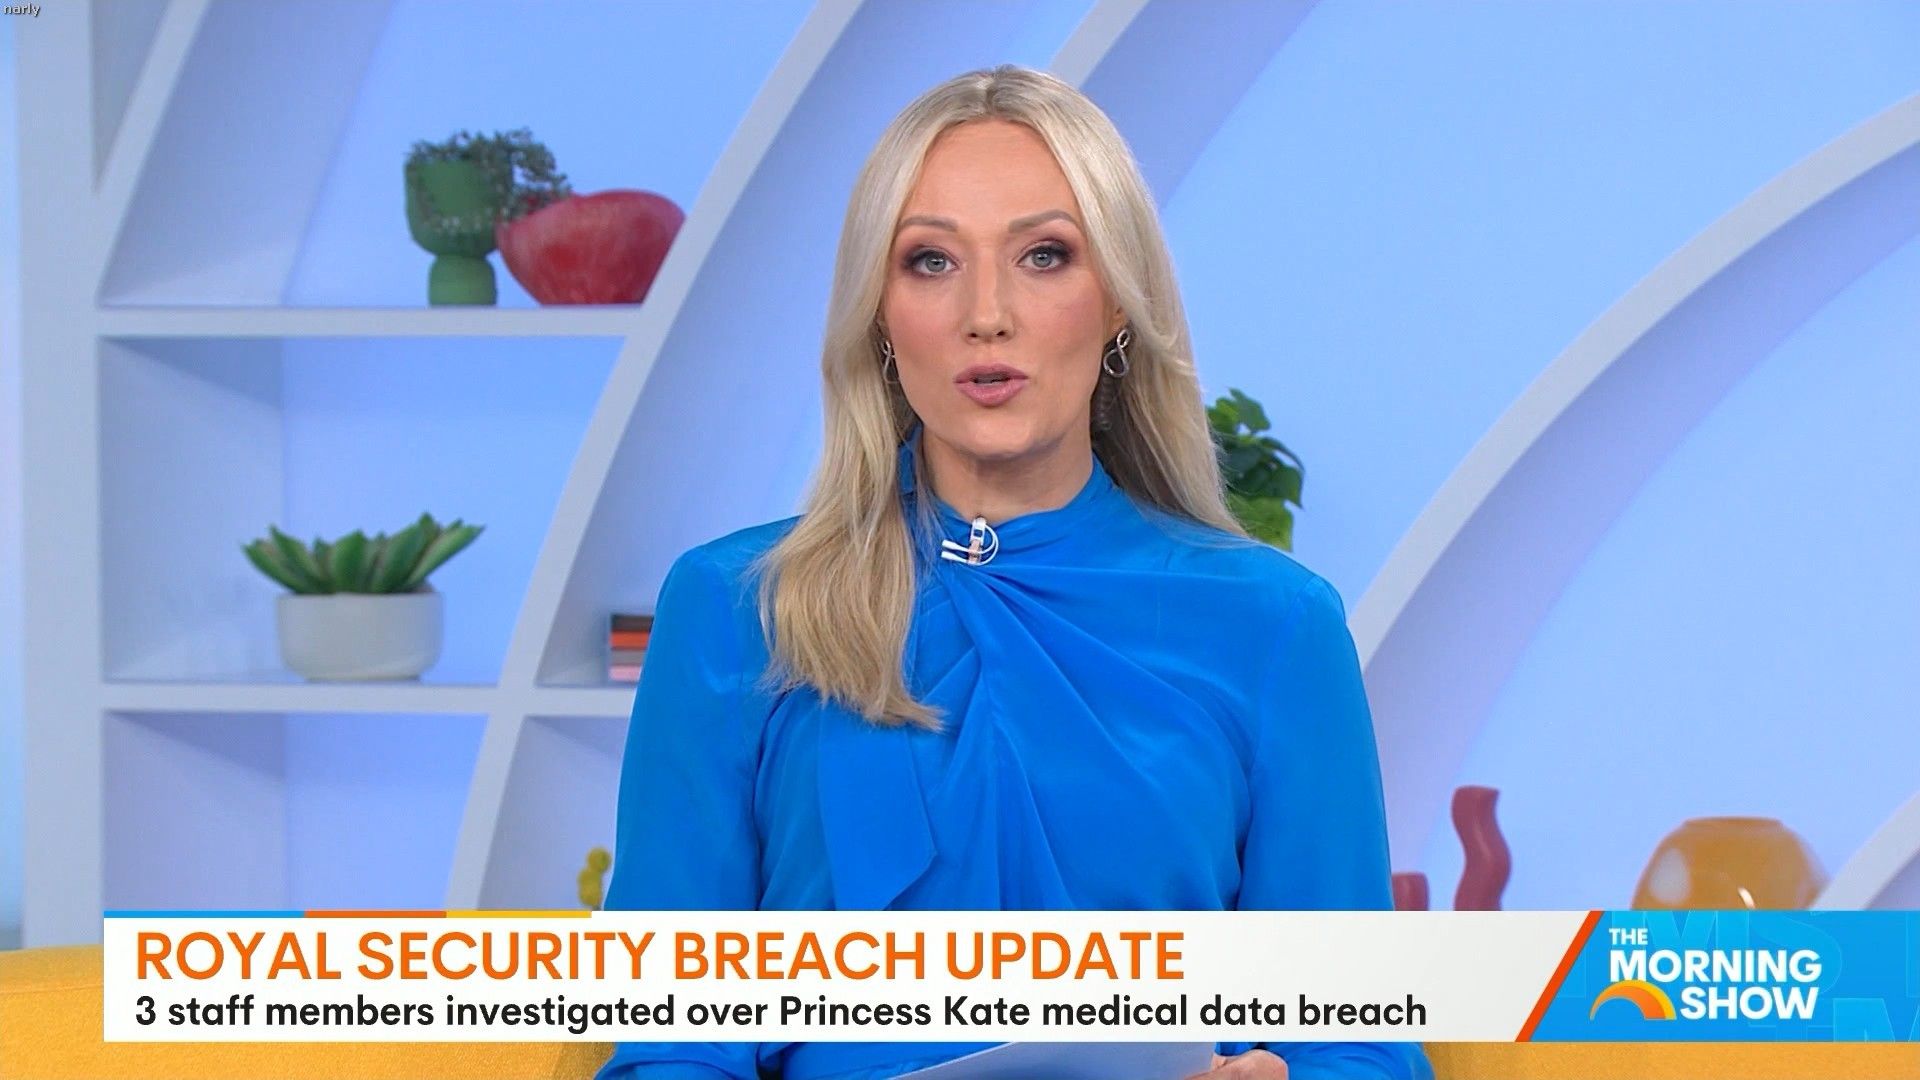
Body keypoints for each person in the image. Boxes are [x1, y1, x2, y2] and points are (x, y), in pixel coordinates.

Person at [595, 64, 1431, 1080]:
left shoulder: (1277, 626)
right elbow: (667, 1040)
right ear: (879, 315)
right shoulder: (733, 607)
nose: (986, 314)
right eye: (930, 262)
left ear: (1118, 301)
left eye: (1044, 255)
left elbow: (1356, 1041)